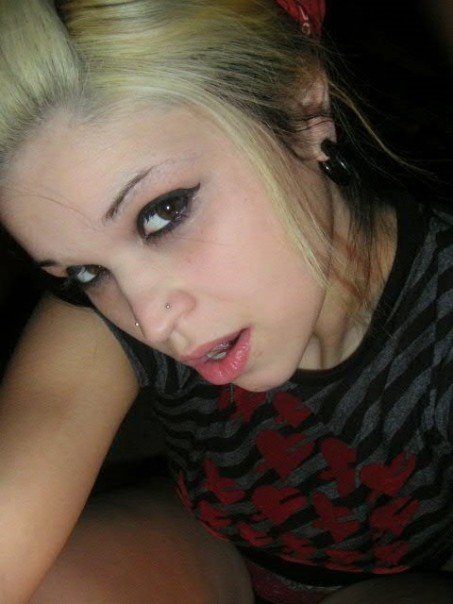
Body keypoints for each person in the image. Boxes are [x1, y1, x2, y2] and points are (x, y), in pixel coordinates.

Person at [0, 0, 452, 602]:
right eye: (84, 272)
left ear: (302, 104)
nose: (150, 321)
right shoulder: (113, 314)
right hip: (211, 544)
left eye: (163, 213)